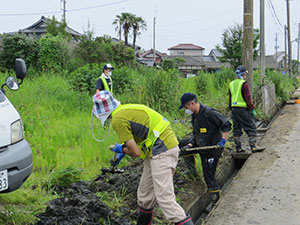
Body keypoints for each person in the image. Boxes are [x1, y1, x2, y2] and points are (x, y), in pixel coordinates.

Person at [92, 90, 194, 225]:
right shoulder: (124, 110)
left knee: (165, 199)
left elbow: (135, 152)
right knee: (145, 196)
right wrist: (124, 149)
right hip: (157, 148)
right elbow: (140, 138)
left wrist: (121, 149)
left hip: (162, 149)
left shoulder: (117, 120)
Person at [178, 93, 231, 202]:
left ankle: (216, 199)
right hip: (201, 143)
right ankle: (192, 171)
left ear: (192, 103)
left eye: (186, 107)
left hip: (212, 148)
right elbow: (195, 132)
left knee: (209, 176)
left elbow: (226, 124)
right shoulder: (194, 115)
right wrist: (191, 144)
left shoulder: (209, 113)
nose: (186, 109)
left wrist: (223, 141)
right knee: (182, 145)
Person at [229, 65, 265, 153]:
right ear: (243, 74)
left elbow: (230, 98)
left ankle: (238, 148)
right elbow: (248, 97)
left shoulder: (231, 84)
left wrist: (231, 108)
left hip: (234, 109)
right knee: (251, 127)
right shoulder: (244, 84)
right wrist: (252, 108)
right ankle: (253, 146)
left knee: (236, 128)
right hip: (243, 109)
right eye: (245, 74)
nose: (245, 76)